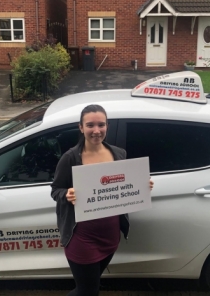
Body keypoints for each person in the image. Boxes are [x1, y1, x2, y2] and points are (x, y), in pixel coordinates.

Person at [51, 104, 154, 296]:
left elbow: (124, 185)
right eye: (90, 125)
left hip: (110, 236)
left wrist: (142, 186)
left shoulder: (119, 154)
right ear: (81, 127)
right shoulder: (71, 158)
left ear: (107, 126)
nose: (96, 131)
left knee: (91, 285)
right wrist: (66, 194)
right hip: (81, 237)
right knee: (88, 290)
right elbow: (55, 190)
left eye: (101, 125)